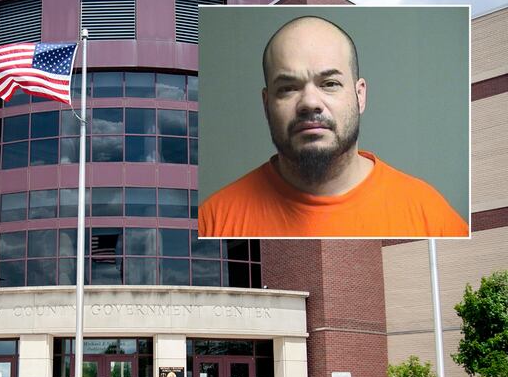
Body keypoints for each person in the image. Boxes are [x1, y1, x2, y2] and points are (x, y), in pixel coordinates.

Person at [198, 16, 468, 238]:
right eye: (288, 88)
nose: (310, 103)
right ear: (266, 104)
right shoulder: (213, 219)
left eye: (329, 84)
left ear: (360, 95)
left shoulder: (429, 214)